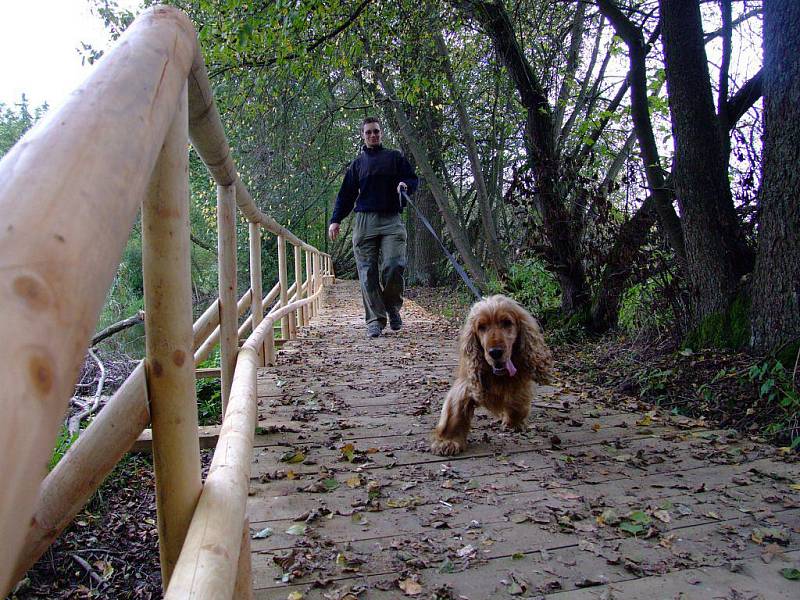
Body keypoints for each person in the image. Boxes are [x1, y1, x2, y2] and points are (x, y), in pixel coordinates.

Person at [328, 116, 419, 338]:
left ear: (381, 133)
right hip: (365, 221)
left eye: (376, 131)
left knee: (394, 265)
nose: (373, 135)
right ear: (362, 135)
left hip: (391, 219)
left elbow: (412, 178)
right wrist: (336, 219)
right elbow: (346, 195)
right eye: (368, 132)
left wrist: (405, 184)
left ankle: (392, 307)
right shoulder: (357, 165)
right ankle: (375, 320)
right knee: (367, 272)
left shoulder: (395, 158)